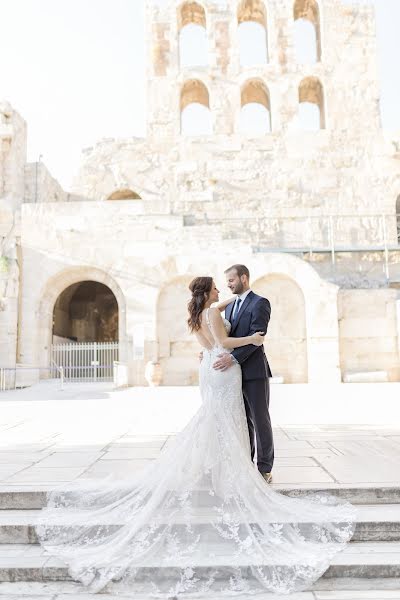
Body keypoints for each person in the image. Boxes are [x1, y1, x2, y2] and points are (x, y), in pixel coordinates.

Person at [36, 276, 356, 598]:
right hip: (224, 369)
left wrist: (234, 299)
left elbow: (212, 334)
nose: (221, 289)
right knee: (226, 422)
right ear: (208, 291)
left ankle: (219, 471)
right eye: (217, 286)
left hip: (211, 368)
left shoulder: (199, 313)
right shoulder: (212, 314)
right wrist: (253, 340)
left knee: (219, 422)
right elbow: (224, 343)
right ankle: (228, 476)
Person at [213, 264, 274, 483]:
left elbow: (258, 338)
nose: (228, 285)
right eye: (227, 281)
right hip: (232, 375)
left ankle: (265, 468)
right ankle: (246, 465)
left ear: (244, 278)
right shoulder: (229, 307)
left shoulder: (260, 303)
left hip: (254, 371)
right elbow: (224, 337)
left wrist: (233, 357)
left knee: (260, 420)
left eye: (231, 280)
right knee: (243, 420)